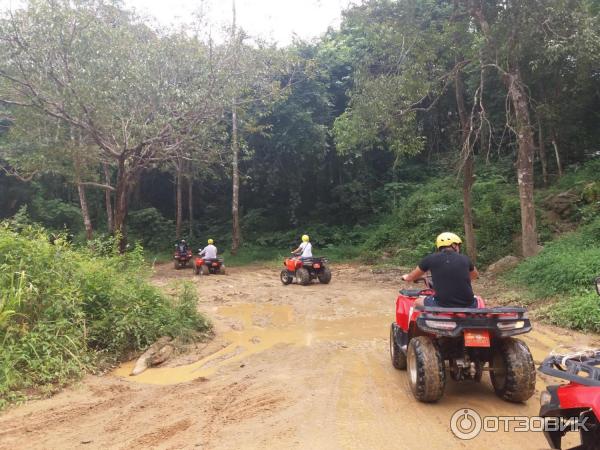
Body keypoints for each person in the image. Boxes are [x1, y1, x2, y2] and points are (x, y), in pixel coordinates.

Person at [401, 232, 479, 308]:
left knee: (417, 302)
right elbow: (475, 275)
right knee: (478, 299)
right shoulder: (465, 259)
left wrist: (406, 277)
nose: (458, 247)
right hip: (469, 304)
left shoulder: (430, 258)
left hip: (441, 304)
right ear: (453, 245)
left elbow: (412, 277)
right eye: (458, 245)